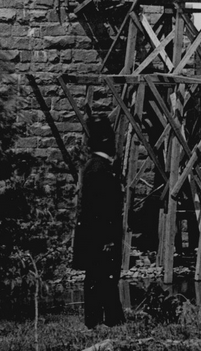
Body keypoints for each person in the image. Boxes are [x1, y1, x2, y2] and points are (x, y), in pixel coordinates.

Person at [72, 115, 125, 329]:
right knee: (101, 278)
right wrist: (107, 239)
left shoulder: (96, 166)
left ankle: (108, 319)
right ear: (106, 141)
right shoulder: (99, 169)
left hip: (96, 235)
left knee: (101, 278)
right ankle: (101, 321)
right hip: (100, 236)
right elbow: (100, 209)